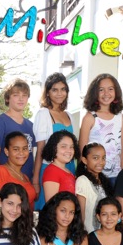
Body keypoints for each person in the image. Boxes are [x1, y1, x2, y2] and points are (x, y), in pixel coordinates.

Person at [32, 73, 75, 210]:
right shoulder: (43, 114)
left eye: (63, 89)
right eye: (54, 90)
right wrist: (36, 179)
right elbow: (40, 149)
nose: (59, 93)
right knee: (51, 209)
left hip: (69, 168)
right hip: (50, 170)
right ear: (47, 92)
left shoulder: (70, 115)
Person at [79, 73, 123, 186]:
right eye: (101, 90)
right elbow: (82, 153)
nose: (106, 93)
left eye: (110, 89)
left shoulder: (121, 118)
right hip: (95, 177)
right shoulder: (89, 118)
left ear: (116, 92)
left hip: (116, 177)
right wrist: (85, 178)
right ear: (95, 93)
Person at [0, 78, 35, 179]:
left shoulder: (31, 125)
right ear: (8, 98)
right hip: (7, 181)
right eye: (16, 95)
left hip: (27, 181)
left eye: (24, 95)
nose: (21, 99)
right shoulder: (0, 123)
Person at [0, 131, 36, 209]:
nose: (21, 153)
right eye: (16, 149)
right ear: (7, 151)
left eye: (25, 148)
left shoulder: (25, 177)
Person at [75, 142, 113, 232]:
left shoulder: (104, 181)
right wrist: (81, 234)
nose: (101, 162)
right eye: (95, 158)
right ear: (85, 160)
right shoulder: (82, 181)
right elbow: (81, 213)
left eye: (103, 158)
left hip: (104, 234)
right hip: (89, 234)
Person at [41, 130, 79, 203]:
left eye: (71, 147)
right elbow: (51, 204)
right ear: (54, 148)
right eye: (63, 146)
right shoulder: (52, 171)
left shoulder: (68, 171)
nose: (69, 150)